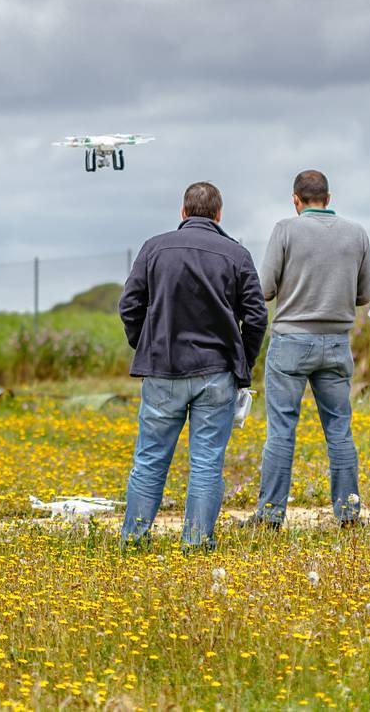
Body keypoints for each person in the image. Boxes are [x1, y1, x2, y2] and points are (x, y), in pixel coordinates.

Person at [117, 182, 268, 549]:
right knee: (205, 464)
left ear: (183, 212)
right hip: (216, 372)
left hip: (162, 369)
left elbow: (129, 306)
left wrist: (146, 344)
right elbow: (257, 316)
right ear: (219, 215)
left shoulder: (154, 248)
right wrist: (242, 363)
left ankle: (134, 539)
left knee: (150, 459)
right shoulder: (237, 253)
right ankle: (197, 543)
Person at [249, 169, 370, 528]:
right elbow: (364, 295)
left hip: (291, 341)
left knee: (281, 429)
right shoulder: (357, 233)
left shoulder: (285, 230)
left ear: (296, 200)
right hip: (336, 344)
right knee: (339, 430)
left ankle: (270, 516)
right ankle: (348, 514)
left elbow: (265, 289)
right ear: (328, 199)